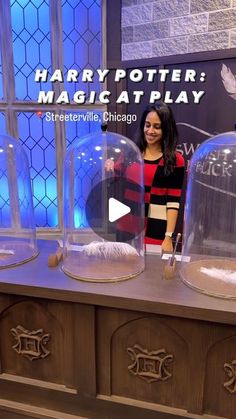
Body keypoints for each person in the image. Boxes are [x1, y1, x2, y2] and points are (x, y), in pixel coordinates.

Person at [105, 102, 185, 253]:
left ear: (166, 129)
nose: (150, 131)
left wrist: (168, 237)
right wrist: (110, 166)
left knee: (153, 272)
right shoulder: (130, 153)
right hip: (128, 223)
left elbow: (174, 201)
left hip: (157, 227)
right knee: (127, 268)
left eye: (157, 126)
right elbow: (115, 178)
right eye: (147, 125)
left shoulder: (175, 160)